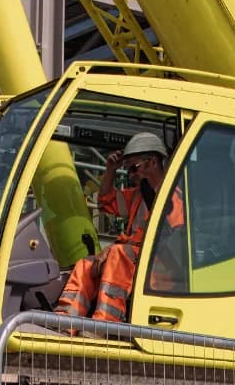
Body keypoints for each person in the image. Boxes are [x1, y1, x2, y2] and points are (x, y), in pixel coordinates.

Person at [55, 131, 182, 325]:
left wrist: (115, 249)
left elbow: (170, 242)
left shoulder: (174, 198)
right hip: (137, 263)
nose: (131, 175)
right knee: (86, 265)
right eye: (128, 170)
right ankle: (63, 323)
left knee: (118, 254)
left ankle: (104, 323)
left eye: (134, 168)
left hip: (162, 270)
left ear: (154, 162)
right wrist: (111, 170)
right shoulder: (139, 196)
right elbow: (106, 202)